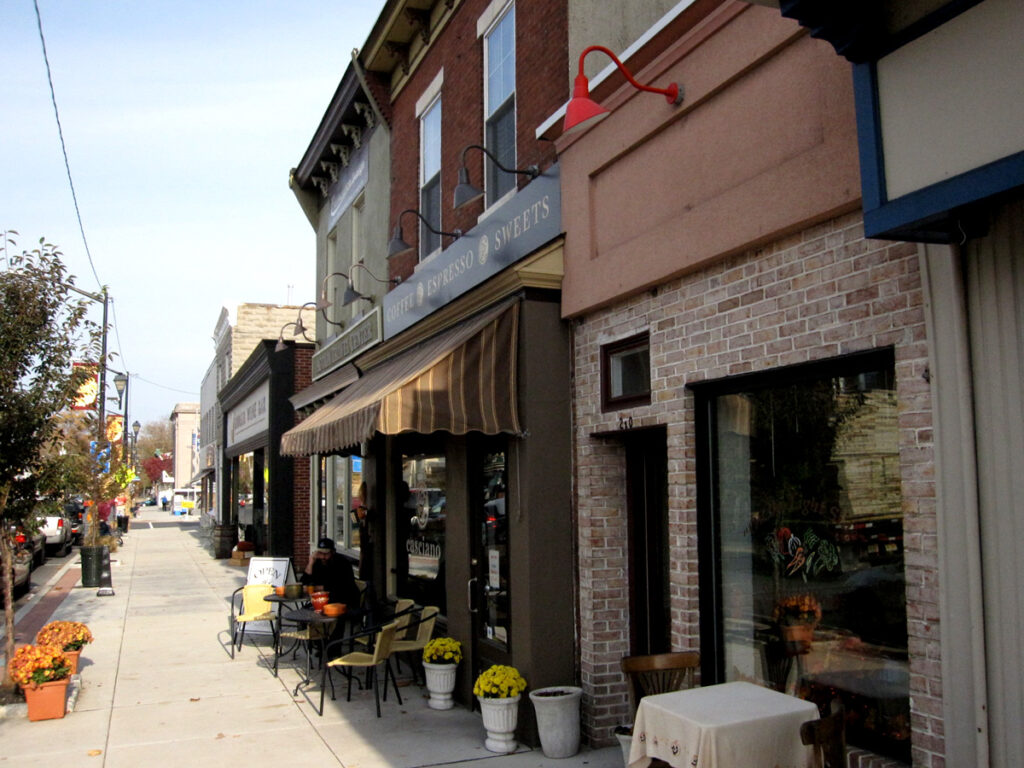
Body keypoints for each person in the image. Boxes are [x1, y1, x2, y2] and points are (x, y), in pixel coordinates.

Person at [300, 537, 361, 611]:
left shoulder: (342, 563)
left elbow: (340, 587)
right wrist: (310, 563)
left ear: (333, 552)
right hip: (325, 600)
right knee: (304, 611)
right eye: (320, 553)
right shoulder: (317, 562)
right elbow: (303, 582)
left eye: (326, 554)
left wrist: (316, 588)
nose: (323, 557)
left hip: (344, 601)